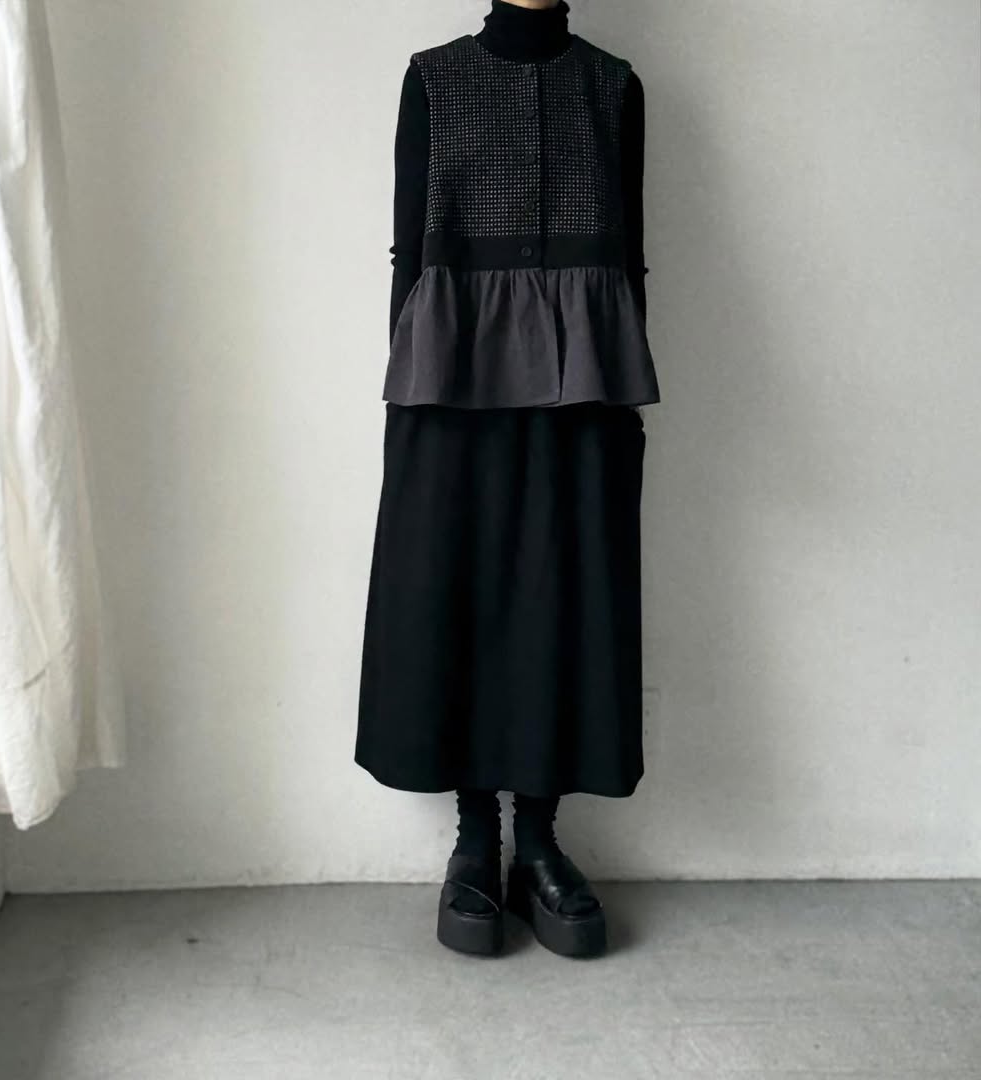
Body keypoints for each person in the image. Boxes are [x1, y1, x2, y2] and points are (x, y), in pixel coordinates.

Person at [356, 0, 660, 959]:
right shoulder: (434, 78)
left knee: (567, 600)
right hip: (452, 380)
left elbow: (631, 257)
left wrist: (621, 393)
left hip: (587, 384)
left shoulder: (613, 86)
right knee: (453, 591)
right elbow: (409, 250)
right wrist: (415, 383)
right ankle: (473, 838)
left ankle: (539, 839)